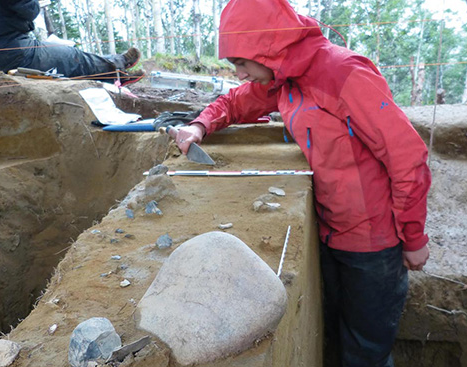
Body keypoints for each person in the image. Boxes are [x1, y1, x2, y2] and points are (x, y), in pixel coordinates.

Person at [174, 0, 431, 366]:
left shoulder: (344, 74)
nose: (242, 74)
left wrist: (414, 237)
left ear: (266, 47)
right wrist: (199, 124)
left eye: (242, 63)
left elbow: (407, 158)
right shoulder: (284, 79)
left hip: (374, 243)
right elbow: (236, 103)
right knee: (337, 328)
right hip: (329, 230)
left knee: (367, 350)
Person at [0, 0, 143, 84]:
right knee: (70, 56)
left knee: (57, 52)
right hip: (10, 53)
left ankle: (115, 64)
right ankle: (116, 71)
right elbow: (29, 10)